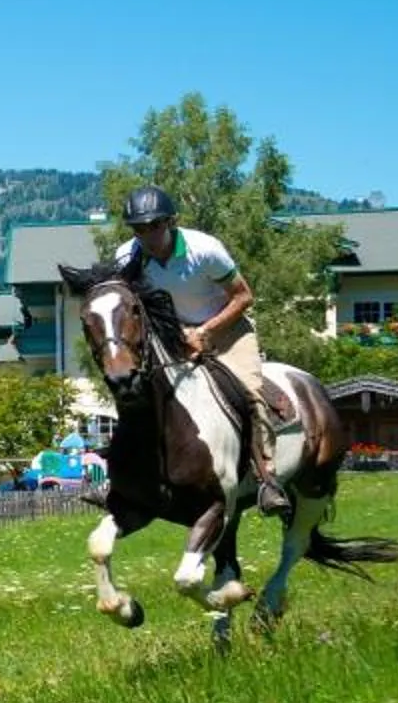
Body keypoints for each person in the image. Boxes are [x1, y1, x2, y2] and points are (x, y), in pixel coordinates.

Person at [113, 184, 290, 513]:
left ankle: (267, 478)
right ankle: (128, 483)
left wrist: (205, 331)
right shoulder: (126, 257)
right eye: (139, 228)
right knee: (141, 393)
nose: (148, 235)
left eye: (155, 225)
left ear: (170, 222)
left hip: (227, 329)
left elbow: (243, 296)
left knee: (250, 392)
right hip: (172, 334)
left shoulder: (205, 250)